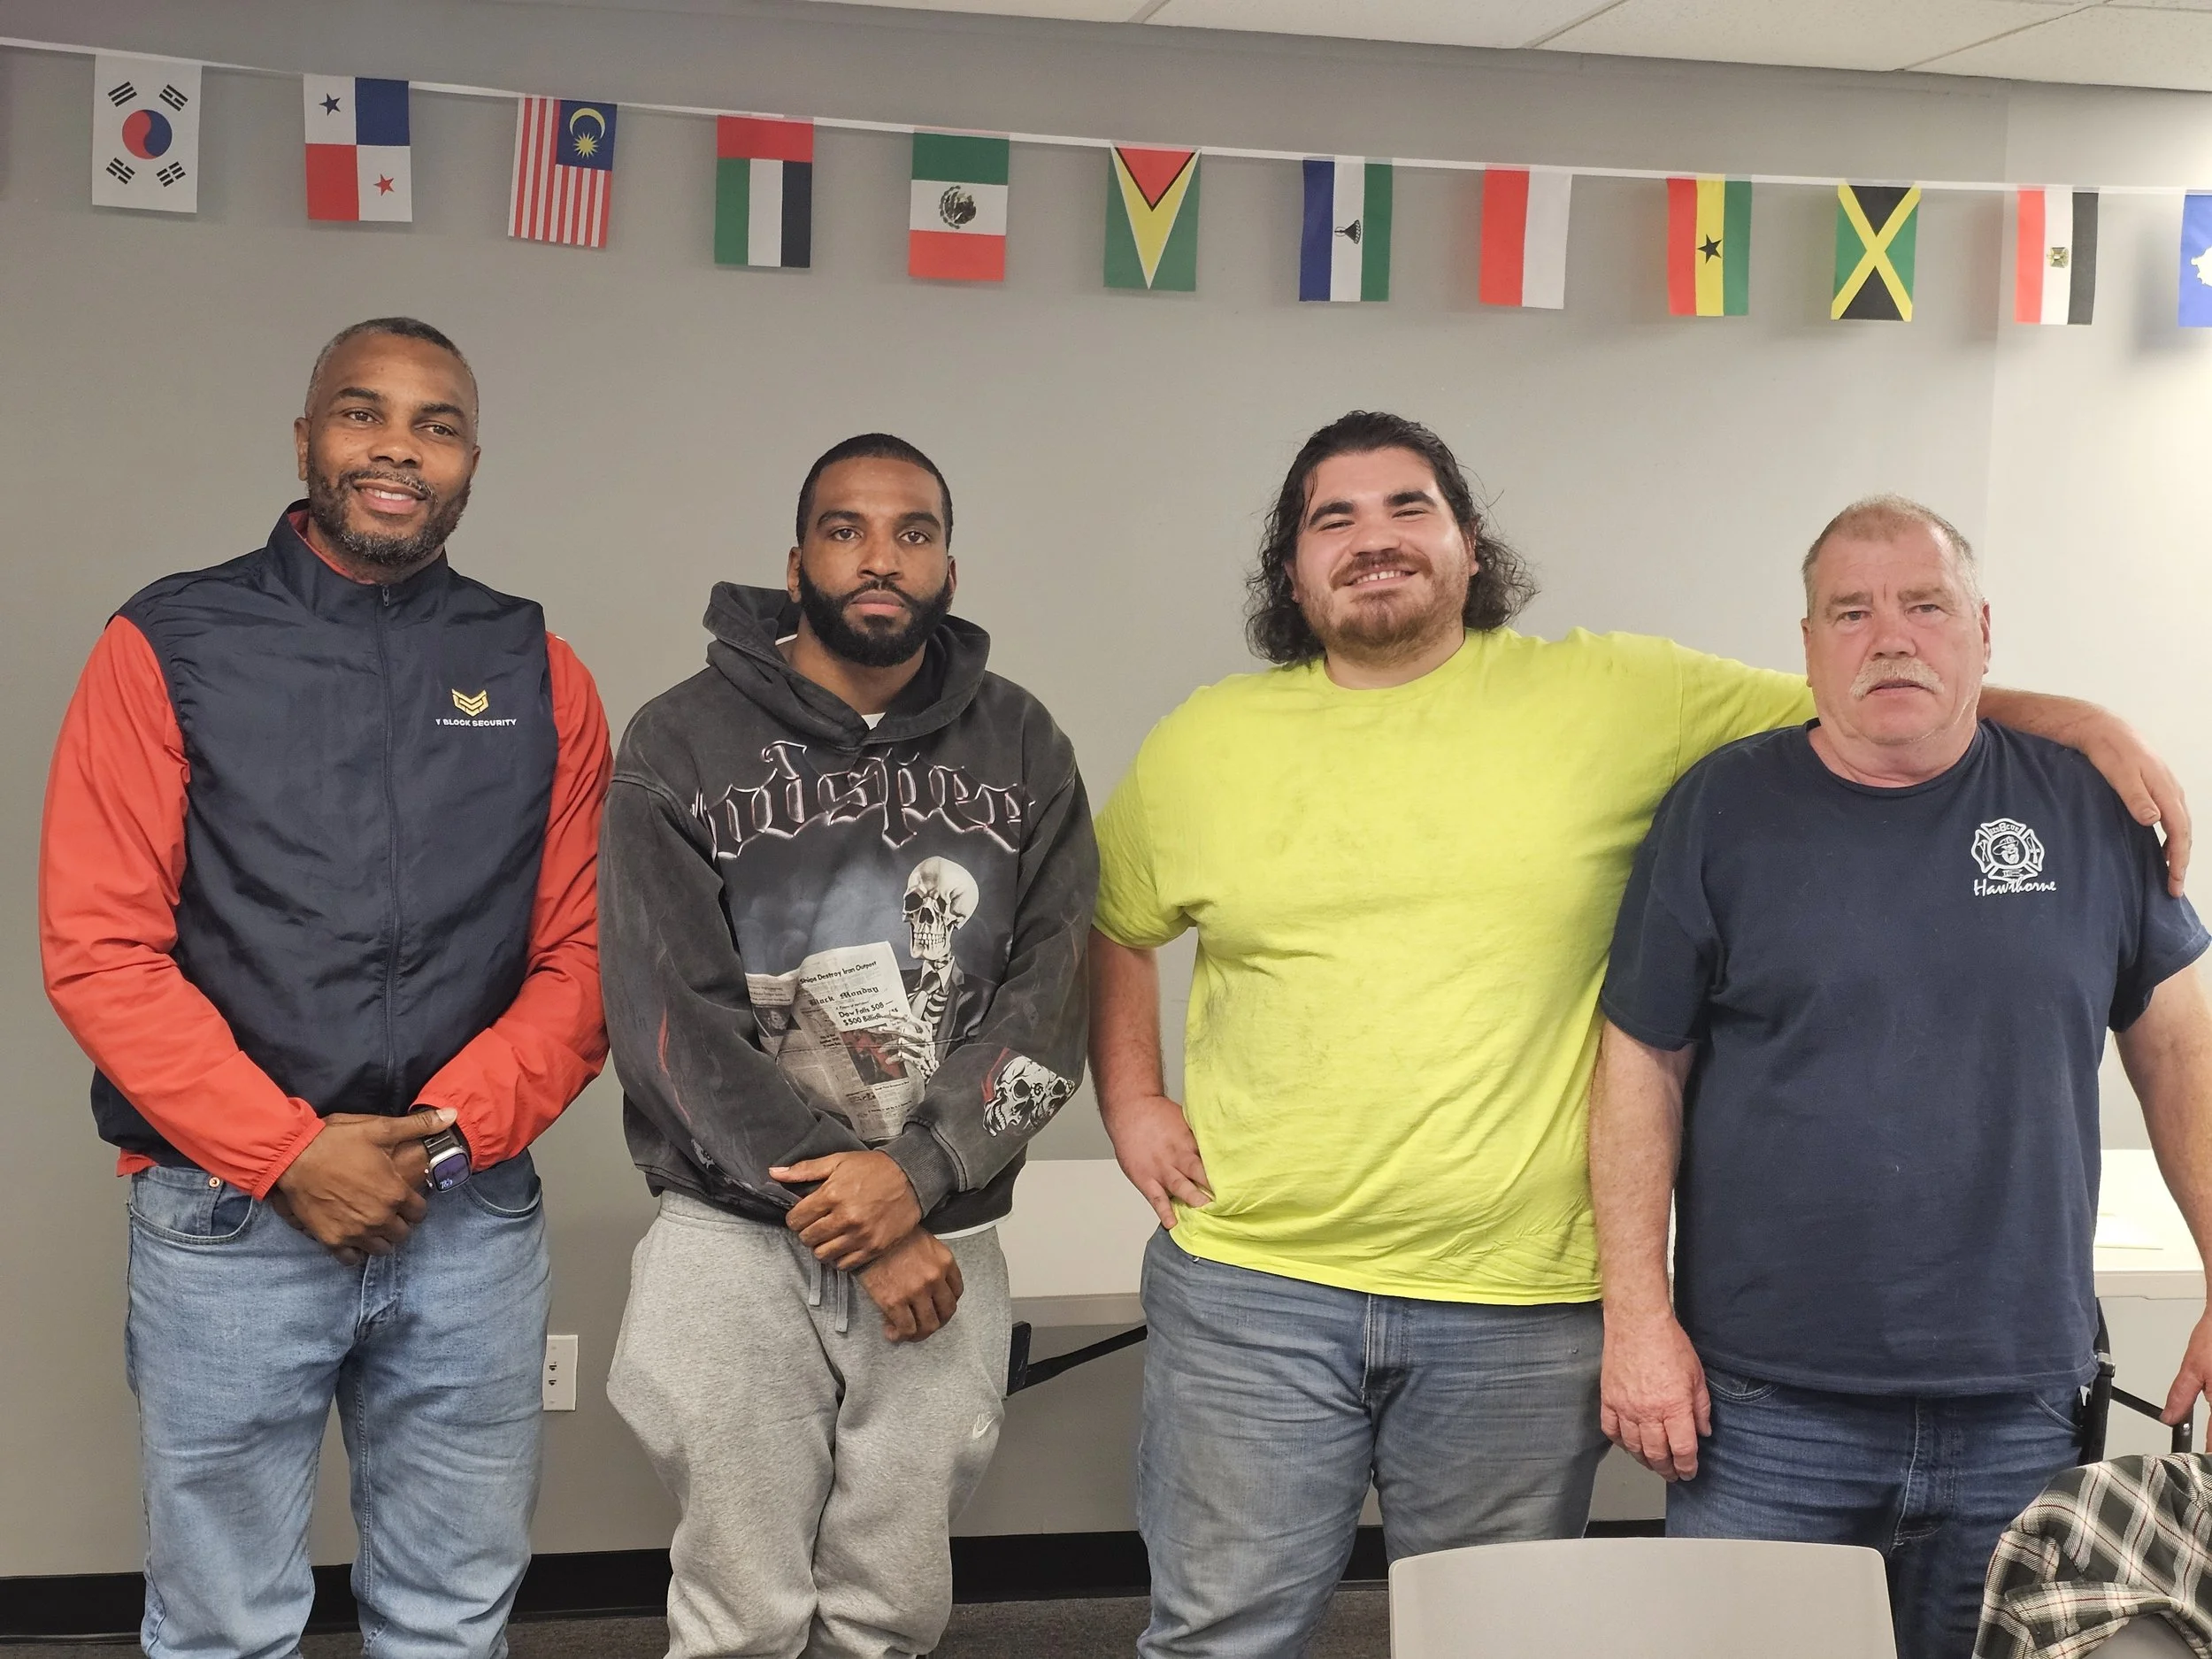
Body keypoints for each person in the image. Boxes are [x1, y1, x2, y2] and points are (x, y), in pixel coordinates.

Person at [1087, 412, 2193, 1659]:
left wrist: (2088, 724)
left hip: (1516, 1298)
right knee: (1220, 1632)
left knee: (1483, 1641)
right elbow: (1117, 919)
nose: (1373, 540)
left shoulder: (1618, 694)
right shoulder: (1204, 740)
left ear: (1468, 545)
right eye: (1331, 518)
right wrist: (1130, 1097)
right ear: (1292, 568)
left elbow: (1882, 695)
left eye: (1409, 508)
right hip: (1256, 1286)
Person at [38, 317, 612, 1656]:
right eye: (363, 415)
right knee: (225, 1621)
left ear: (471, 464)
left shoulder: (542, 669)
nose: (398, 448)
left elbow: (583, 959)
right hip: (227, 1220)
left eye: (437, 423)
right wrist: (289, 1151)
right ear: (305, 441)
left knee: (452, 1613)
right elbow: (100, 947)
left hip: (466, 1212)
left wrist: (451, 1135)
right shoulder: (166, 644)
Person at [1589, 495, 2212, 1659]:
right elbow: (1639, 1065)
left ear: (1982, 629)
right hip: (1767, 1404)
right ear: (1810, 643)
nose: (1891, 634)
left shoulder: (2087, 809)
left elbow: (2181, 1050)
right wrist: (1637, 1312)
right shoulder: (1721, 811)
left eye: (1924, 605)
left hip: (2018, 1398)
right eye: (1852, 610)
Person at [600, 433, 1096, 1659]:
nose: (881, 555)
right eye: (847, 527)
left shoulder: (1024, 743)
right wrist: (857, 1206)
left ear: (949, 565)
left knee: (894, 1607)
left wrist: (914, 1180)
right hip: (732, 1232)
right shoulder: (680, 739)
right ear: (798, 556)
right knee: (738, 1610)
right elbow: (674, 1020)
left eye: (913, 531)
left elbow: (1053, 995)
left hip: (947, 1229)